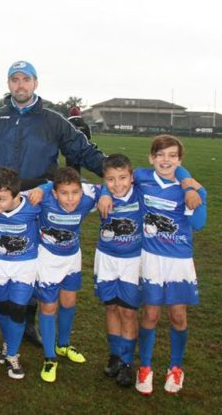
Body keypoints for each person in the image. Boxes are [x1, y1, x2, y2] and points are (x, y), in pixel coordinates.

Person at [0, 60, 105, 347]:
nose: (20, 84)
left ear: (35, 83)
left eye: (26, 79)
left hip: (36, 203)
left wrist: (116, 175)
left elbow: (83, 150)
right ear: (9, 84)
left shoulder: (53, 120)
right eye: (15, 79)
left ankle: (27, 323)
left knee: (31, 264)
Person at [105, 135, 207, 396]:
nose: (166, 160)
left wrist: (193, 195)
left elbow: (199, 224)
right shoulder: (142, 177)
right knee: (150, 315)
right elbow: (115, 179)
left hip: (179, 261)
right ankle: (145, 367)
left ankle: (175, 367)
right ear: (151, 158)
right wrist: (105, 193)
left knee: (178, 316)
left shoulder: (192, 187)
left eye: (173, 156)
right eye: (160, 155)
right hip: (150, 259)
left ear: (180, 160)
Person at [28, 167, 99, 383]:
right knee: (49, 307)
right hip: (47, 259)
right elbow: (12, 196)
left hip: (72, 258)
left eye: (75, 193)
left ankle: (63, 345)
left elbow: (108, 188)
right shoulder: (44, 200)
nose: (70, 199)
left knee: (69, 302)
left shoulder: (87, 199)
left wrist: (104, 195)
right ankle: (50, 357)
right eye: (64, 193)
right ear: (55, 194)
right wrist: (43, 187)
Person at [0, 167, 41, 380]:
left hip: (24, 267)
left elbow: (58, 184)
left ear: (17, 196)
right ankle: (8, 344)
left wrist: (45, 188)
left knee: (17, 309)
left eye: (2, 199)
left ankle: (13, 355)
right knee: (3, 308)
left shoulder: (32, 206)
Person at [93, 154, 145, 388]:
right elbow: (65, 186)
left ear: (131, 177)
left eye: (123, 178)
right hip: (105, 259)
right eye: (111, 180)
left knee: (129, 313)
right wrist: (103, 192)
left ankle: (126, 362)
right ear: (104, 180)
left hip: (132, 262)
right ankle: (115, 355)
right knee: (112, 307)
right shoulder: (100, 194)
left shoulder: (142, 193)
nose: (118, 184)